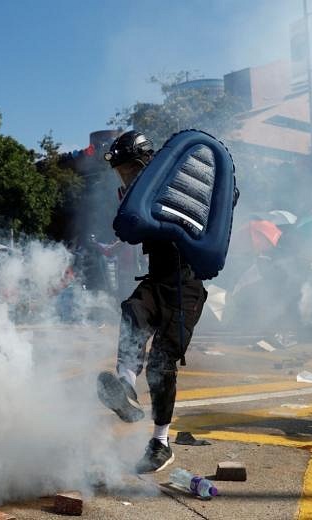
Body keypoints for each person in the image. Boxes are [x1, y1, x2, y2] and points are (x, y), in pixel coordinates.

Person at [96, 130, 208, 474]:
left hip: (186, 283)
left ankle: (161, 442)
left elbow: (217, 197)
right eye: (122, 172)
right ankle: (125, 389)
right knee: (132, 312)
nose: (127, 177)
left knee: (162, 361)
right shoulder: (136, 198)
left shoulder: (178, 185)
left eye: (130, 168)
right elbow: (131, 233)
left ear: (146, 161)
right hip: (157, 279)